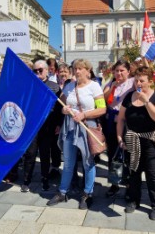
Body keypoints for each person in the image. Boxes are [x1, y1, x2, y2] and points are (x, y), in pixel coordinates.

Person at [47, 59, 106, 210]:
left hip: (87, 127)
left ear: (88, 70)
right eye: (75, 68)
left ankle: (87, 193)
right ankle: (62, 192)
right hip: (70, 128)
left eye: (80, 68)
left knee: (87, 162)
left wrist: (84, 115)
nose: (77, 71)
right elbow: (61, 105)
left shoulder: (94, 86)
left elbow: (102, 109)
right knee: (68, 162)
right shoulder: (69, 86)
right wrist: (64, 110)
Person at [116, 66, 155, 221]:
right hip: (133, 139)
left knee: (152, 174)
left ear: (151, 82)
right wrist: (120, 138)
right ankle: (134, 200)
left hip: (151, 140)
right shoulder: (129, 96)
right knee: (134, 173)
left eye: (142, 80)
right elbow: (120, 119)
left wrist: (146, 101)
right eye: (136, 80)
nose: (138, 83)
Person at [20, 60, 63, 192]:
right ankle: (26, 180)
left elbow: (59, 108)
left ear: (47, 71)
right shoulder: (28, 85)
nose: (38, 72)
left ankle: (45, 178)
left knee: (45, 154)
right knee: (30, 154)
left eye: (40, 70)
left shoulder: (54, 86)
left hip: (48, 126)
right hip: (32, 126)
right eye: (35, 70)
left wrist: (59, 124)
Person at [103, 60, 134, 197]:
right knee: (112, 153)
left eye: (122, 70)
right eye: (117, 71)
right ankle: (114, 183)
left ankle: (129, 185)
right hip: (111, 120)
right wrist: (112, 87)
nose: (119, 73)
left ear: (128, 71)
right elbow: (103, 99)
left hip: (126, 121)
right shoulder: (110, 83)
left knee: (127, 154)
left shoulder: (132, 83)